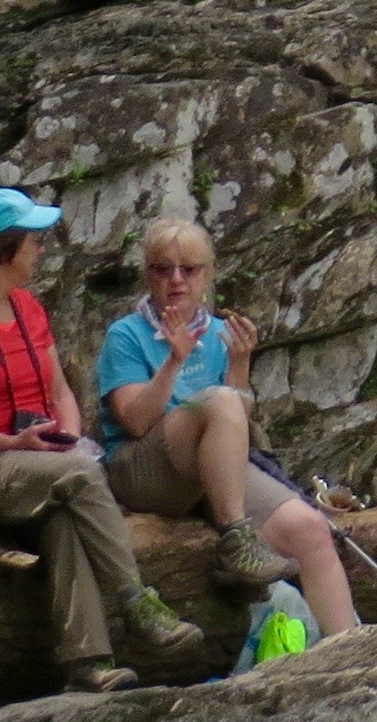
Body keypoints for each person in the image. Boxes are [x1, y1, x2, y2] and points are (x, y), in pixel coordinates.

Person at [0, 185, 202, 693]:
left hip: (37, 461)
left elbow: (58, 391)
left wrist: (66, 433)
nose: (42, 249)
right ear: (7, 246)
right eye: (35, 240)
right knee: (79, 474)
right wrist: (10, 445)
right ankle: (136, 601)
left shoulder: (28, 308)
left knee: (66, 518)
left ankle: (88, 664)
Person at [94, 217, 360, 635]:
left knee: (310, 529)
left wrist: (239, 364)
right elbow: (134, 420)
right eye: (163, 269)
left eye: (189, 269)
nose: (176, 281)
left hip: (208, 471)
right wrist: (174, 362)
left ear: (207, 275)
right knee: (219, 401)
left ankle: (350, 650)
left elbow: (237, 422)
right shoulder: (126, 335)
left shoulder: (217, 333)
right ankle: (237, 539)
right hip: (142, 468)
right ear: (148, 276)